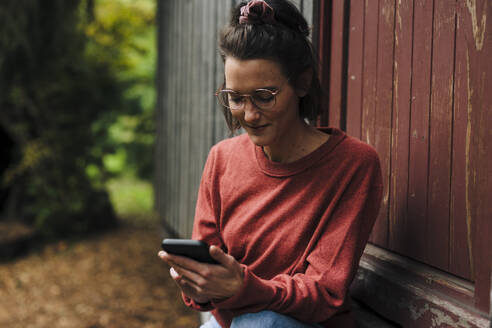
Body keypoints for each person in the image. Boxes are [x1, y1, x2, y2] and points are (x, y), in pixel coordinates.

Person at [158, 0, 383, 327]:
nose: (249, 115)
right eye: (236, 98)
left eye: (264, 96)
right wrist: (199, 284)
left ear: (302, 83)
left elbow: (325, 291)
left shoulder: (353, 165)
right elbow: (206, 276)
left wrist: (245, 287)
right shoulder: (221, 159)